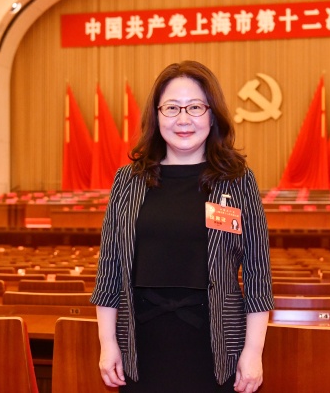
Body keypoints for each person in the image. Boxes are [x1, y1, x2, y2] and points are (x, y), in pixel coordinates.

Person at [90, 60, 274, 393]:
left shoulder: (236, 180)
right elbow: (110, 269)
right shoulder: (128, 181)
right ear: (157, 115)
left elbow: (257, 273)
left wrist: (253, 350)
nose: (184, 119)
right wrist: (107, 342)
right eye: (172, 108)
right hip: (140, 347)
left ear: (212, 115)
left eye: (195, 107)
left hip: (217, 348)